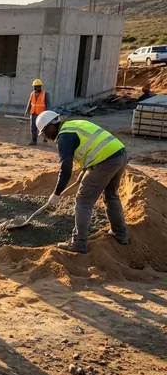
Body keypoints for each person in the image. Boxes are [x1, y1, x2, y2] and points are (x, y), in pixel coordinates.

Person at [35, 111, 128, 254]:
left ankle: (79, 243)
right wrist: (86, 169)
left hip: (105, 160)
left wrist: (56, 193)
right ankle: (120, 233)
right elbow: (91, 145)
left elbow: (65, 169)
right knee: (111, 195)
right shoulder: (73, 125)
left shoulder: (64, 138)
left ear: (50, 127)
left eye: (44, 133)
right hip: (119, 154)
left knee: (83, 201)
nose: (46, 137)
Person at [25, 79, 51, 146]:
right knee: (33, 128)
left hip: (41, 114)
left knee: (43, 127)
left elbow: (48, 105)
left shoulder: (45, 94)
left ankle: (45, 136)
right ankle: (33, 141)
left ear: (40, 87)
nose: (34, 88)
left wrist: (47, 114)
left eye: (36, 86)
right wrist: (27, 110)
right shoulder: (32, 93)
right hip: (33, 113)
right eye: (34, 86)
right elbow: (30, 102)